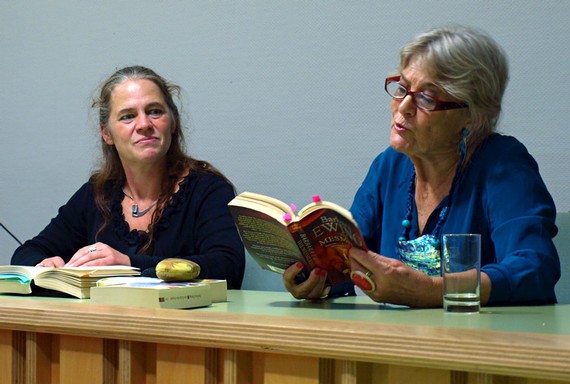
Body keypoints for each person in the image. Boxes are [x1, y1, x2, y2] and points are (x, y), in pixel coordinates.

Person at [283, 25, 560, 306]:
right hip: (393, 341)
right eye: (402, 88)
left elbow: (534, 269)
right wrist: (319, 281)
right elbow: (349, 261)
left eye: (427, 98)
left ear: (472, 115)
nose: (403, 106)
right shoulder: (389, 166)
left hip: (479, 344)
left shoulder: (503, 164)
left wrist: (432, 290)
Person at [11, 66, 245, 289]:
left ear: (172, 122)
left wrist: (127, 264)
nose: (144, 124)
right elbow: (26, 253)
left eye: (155, 111)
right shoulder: (97, 193)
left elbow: (228, 268)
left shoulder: (208, 188)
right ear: (107, 133)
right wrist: (44, 266)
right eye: (127, 116)